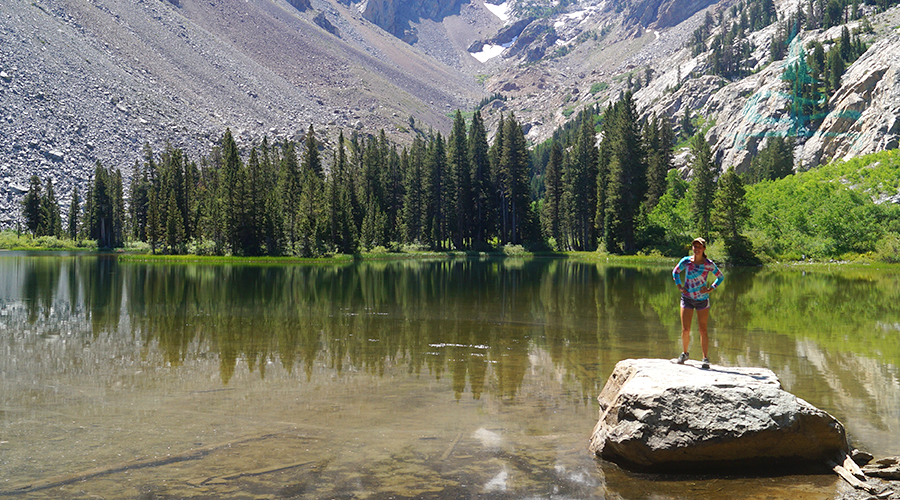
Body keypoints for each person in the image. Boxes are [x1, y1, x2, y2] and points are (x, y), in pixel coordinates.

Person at [672, 237, 723, 369]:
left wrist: (711, 289)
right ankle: (684, 353)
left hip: (702, 300)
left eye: (699, 246)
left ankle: (705, 358)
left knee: (703, 330)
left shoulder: (708, 264)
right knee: (685, 329)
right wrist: (679, 286)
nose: (696, 249)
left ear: (704, 248)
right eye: (695, 246)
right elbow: (675, 272)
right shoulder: (686, 261)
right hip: (687, 298)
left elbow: (720, 277)